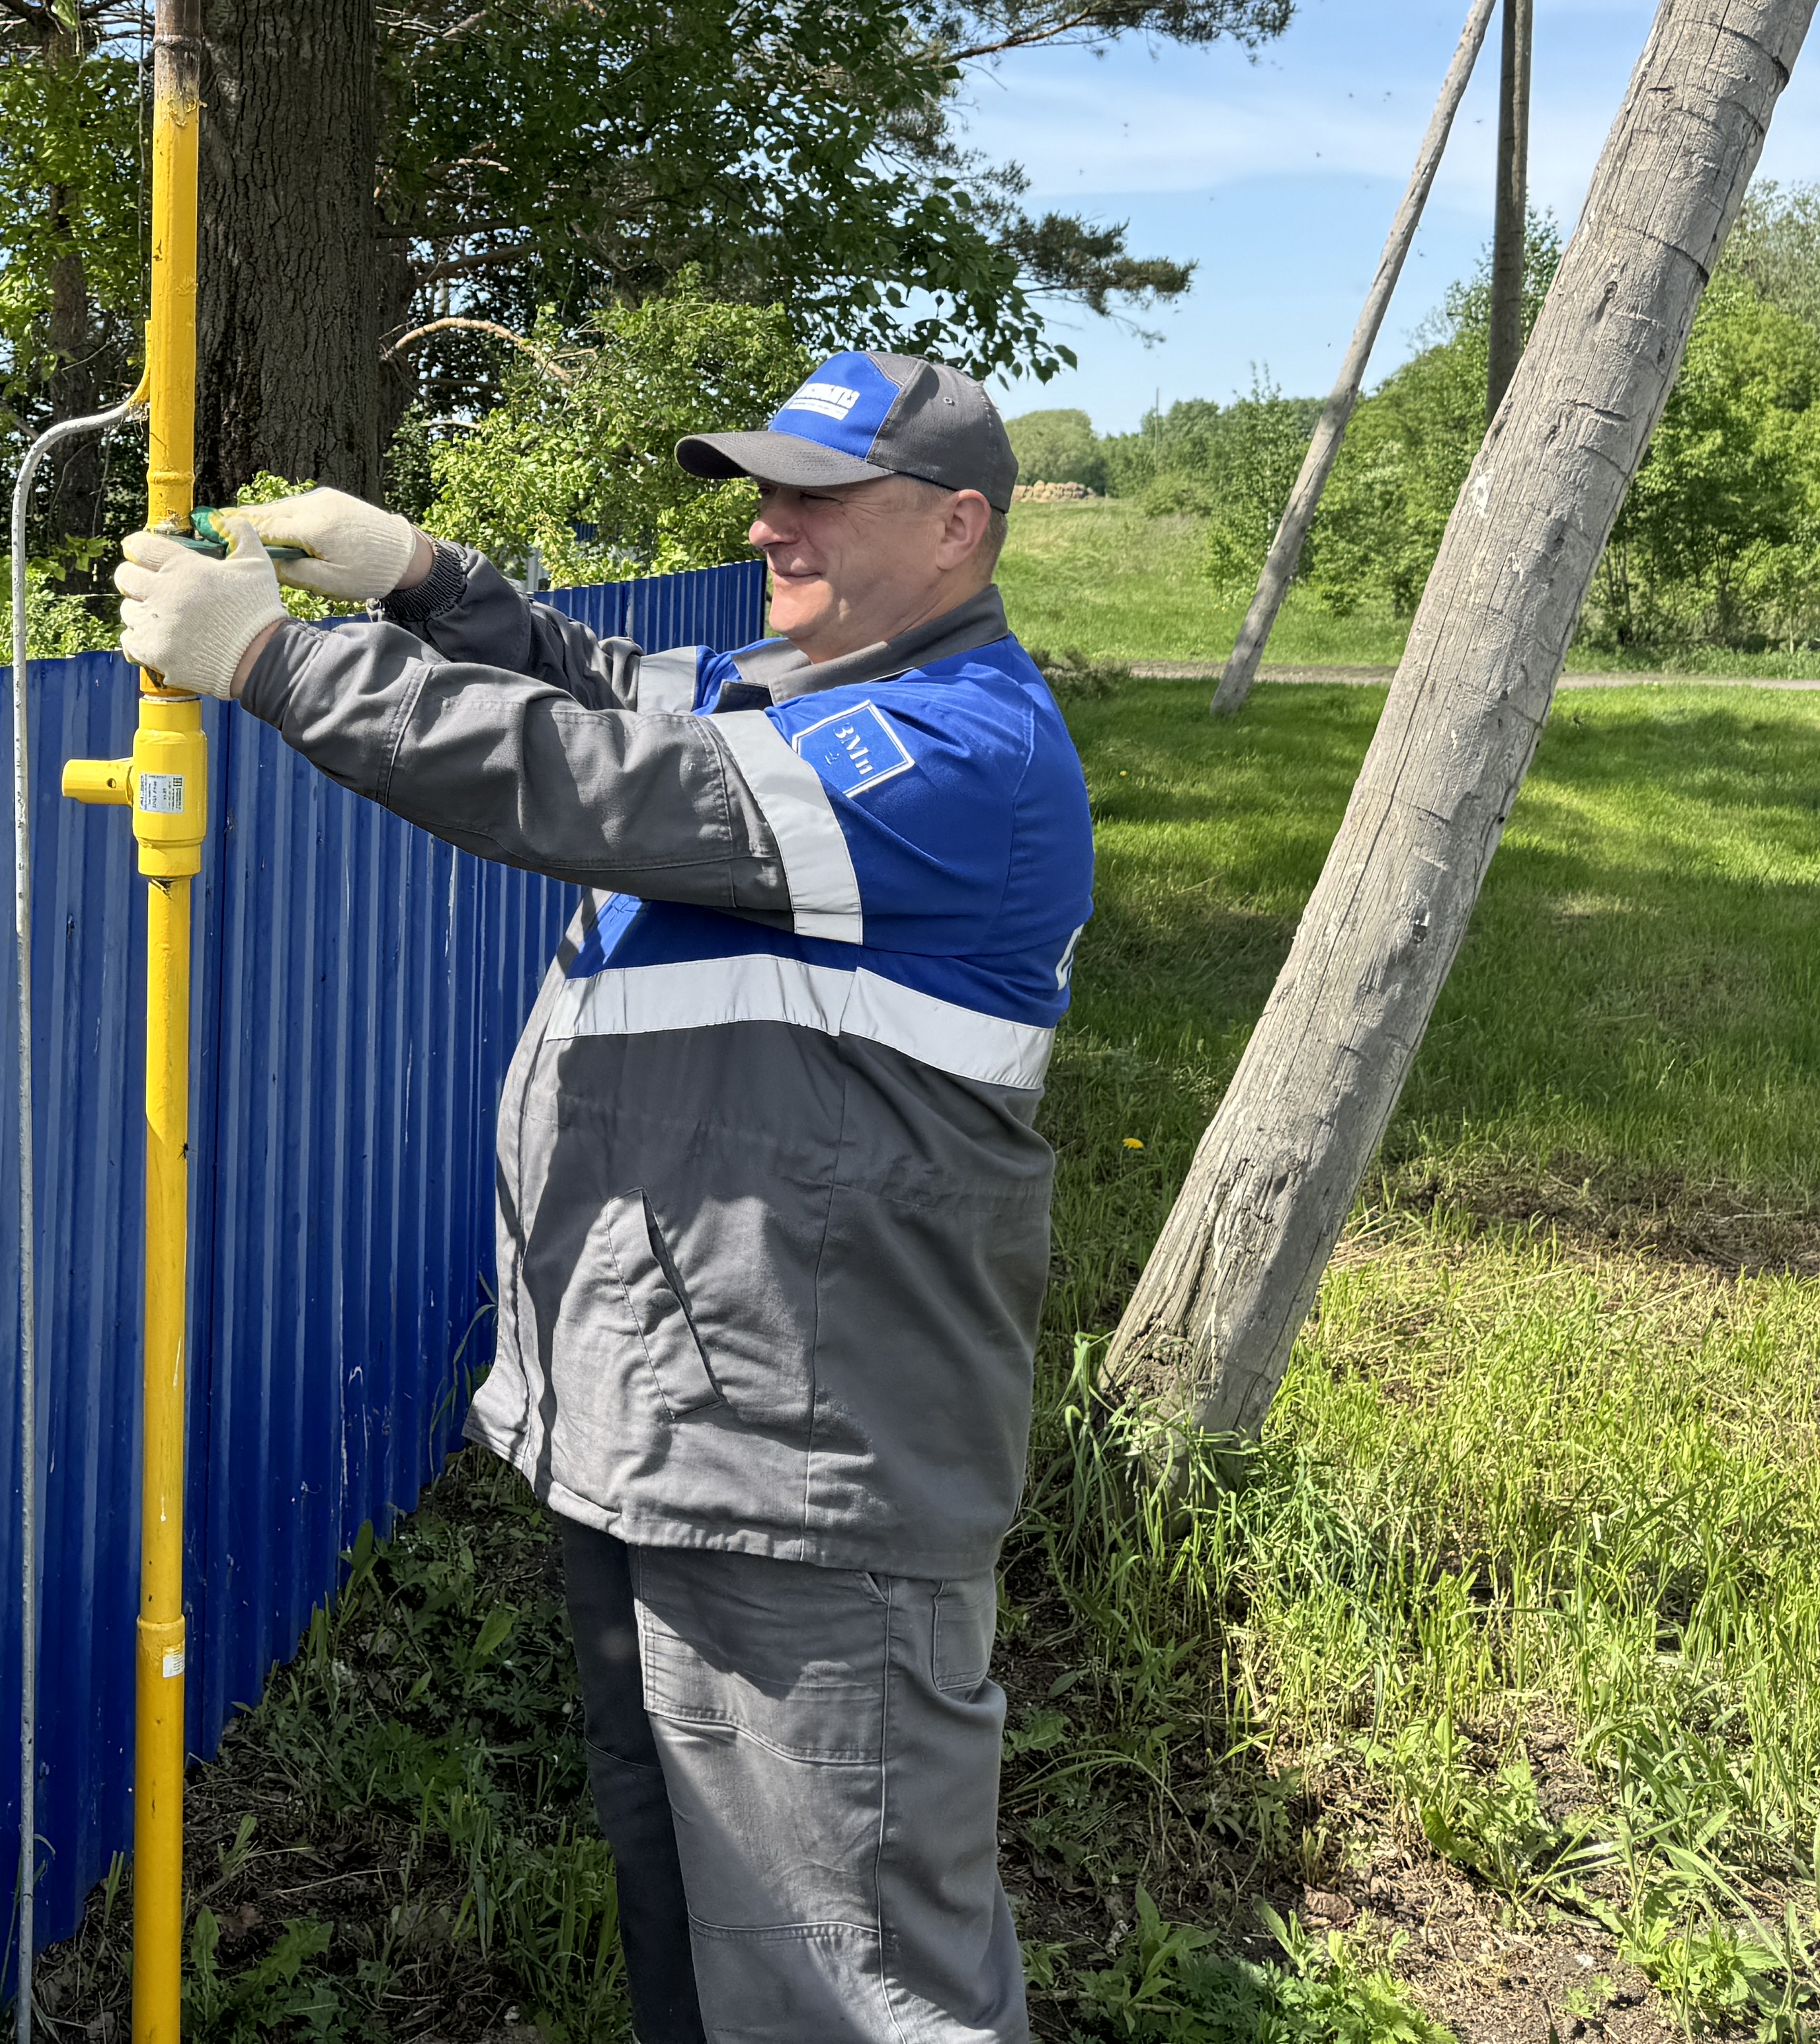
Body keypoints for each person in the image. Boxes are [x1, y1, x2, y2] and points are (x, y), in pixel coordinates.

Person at [113, 350, 1090, 2044]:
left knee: (848, 1982)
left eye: (817, 497)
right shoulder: (804, 684)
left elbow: (600, 782)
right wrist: (425, 579)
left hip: (811, 1476)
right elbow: (606, 685)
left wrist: (276, 662)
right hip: (681, 1432)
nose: (771, 523)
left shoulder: (956, 753)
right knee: (700, 1933)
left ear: (957, 527)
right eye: (763, 487)